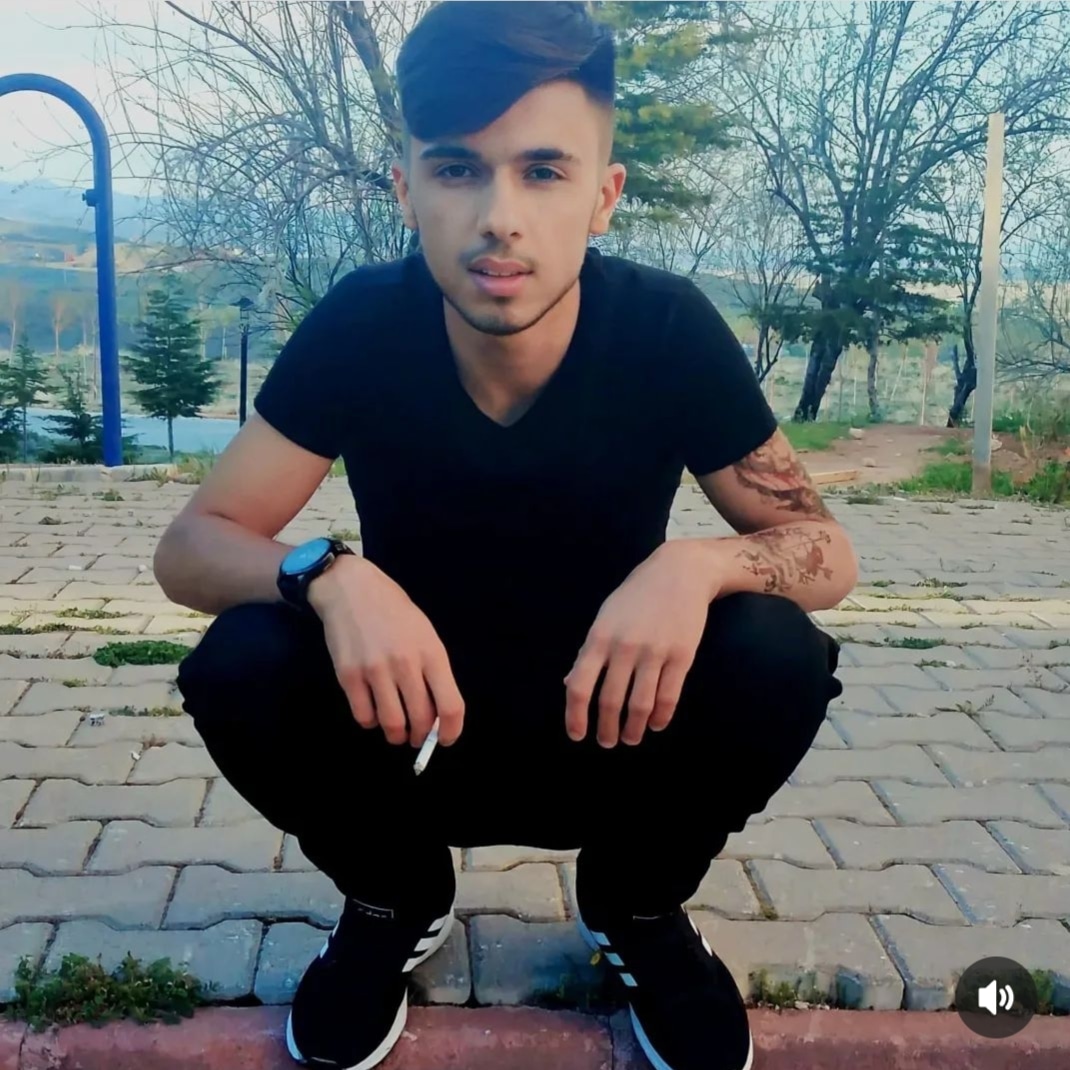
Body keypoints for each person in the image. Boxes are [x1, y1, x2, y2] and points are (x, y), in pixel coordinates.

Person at [158, 4, 857, 1069]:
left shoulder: (664, 330)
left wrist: (699, 565)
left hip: (614, 732)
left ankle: (636, 907)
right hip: (411, 737)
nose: (498, 218)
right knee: (242, 659)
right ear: (406, 189)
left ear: (602, 195)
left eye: (541, 171)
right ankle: (393, 899)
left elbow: (825, 551)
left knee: (775, 650)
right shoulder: (362, 324)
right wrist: (330, 575)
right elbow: (191, 547)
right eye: (456, 169)